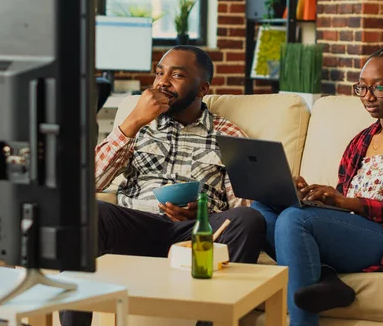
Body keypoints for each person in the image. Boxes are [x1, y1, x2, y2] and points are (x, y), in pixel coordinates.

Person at [251, 47, 383, 326]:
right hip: (353, 230)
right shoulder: (362, 141)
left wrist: (352, 203)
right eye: (361, 87)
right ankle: (326, 277)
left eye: (379, 87)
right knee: (261, 208)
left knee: (294, 220)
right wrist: (313, 196)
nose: (368, 97)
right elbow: (343, 199)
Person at [60, 46, 266, 326]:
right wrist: (133, 122)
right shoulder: (137, 125)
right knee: (87, 211)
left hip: (197, 236)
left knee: (250, 220)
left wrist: (203, 214)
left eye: (177, 75)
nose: (163, 82)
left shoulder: (228, 134)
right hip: (137, 228)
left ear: (202, 88)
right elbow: (90, 181)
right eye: (159, 73)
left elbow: (244, 205)